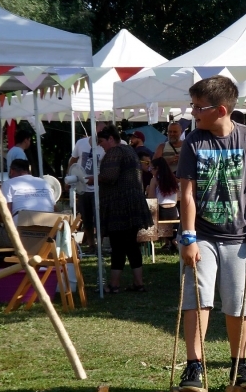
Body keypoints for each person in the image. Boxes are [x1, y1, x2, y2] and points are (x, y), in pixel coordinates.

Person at [177, 76, 246, 390]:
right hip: (201, 234)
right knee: (197, 299)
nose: (192, 113)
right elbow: (186, 194)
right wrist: (188, 237)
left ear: (219, 110)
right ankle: (194, 366)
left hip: (239, 236)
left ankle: (239, 365)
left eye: (197, 107)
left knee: (239, 302)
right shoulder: (193, 141)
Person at [96, 125, 153, 294]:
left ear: (111, 139)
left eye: (101, 142)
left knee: (118, 245)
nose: (101, 146)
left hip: (119, 206)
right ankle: (138, 283)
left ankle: (114, 285)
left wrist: (92, 179)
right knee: (130, 245)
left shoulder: (114, 152)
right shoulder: (129, 151)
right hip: (133, 203)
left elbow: (109, 176)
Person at [0, 159, 54, 248]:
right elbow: (54, 209)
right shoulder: (44, 183)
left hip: (19, 237)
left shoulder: (9, 184)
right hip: (46, 238)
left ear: (11, 170)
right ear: (28, 170)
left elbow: (5, 214)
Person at [68, 123, 105, 252]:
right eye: (99, 131)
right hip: (82, 188)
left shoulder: (104, 146)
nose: (100, 134)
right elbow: (72, 160)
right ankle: (91, 245)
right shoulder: (81, 143)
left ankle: (100, 244)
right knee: (86, 218)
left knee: (99, 218)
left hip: (99, 188)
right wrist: (68, 177)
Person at [147, 156, 179, 250]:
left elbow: (151, 198)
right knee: (171, 226)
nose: (150, 170)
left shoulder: (154, 180)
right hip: (174, 211)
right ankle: (172, 241)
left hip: (161, 211)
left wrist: (149, 189)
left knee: (155, 220)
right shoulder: (173, 178)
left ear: (157, 168)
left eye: (151, 168)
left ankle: (173, 241)